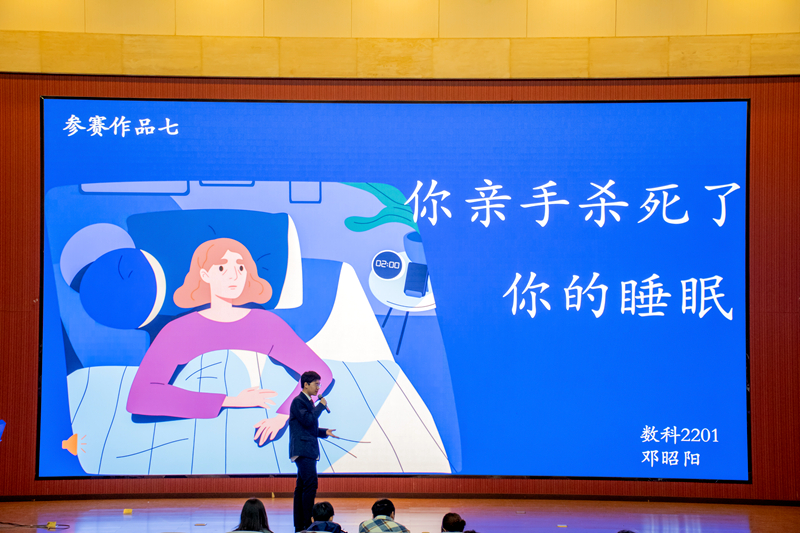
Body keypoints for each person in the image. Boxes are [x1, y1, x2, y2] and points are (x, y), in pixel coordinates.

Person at [126, 238, 332, 447]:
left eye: (241, 267)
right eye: (222, 268)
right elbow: (141, 397)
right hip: (192, 442)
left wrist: (283, 415)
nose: (234, 275)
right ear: (205, 275)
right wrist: (231, 401)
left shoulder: (266, 324)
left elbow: (320, 374)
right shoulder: (179, 330)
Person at [291, 370, 337, 532]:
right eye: (316, 384)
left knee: (302, 487)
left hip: (306, 449)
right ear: (306, 384)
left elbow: (307, 427)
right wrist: (321, 406)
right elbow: (308, 420)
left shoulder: (307, 402)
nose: (318, 388)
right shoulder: (298, 401)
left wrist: (324, 432)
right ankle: (307, 524)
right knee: (310, 485)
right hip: (303, 450)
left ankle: (300, 525)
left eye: (319, 384)